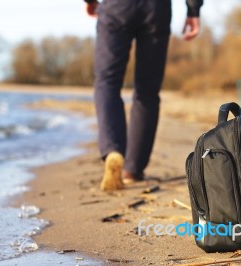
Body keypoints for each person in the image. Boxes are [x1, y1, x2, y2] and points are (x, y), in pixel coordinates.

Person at [85, 0, 203, 191]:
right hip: (156, 9)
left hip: (117, 7)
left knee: (107, 82)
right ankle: (132, 169)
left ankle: (113, 150)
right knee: (147, 91)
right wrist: (193, 9)